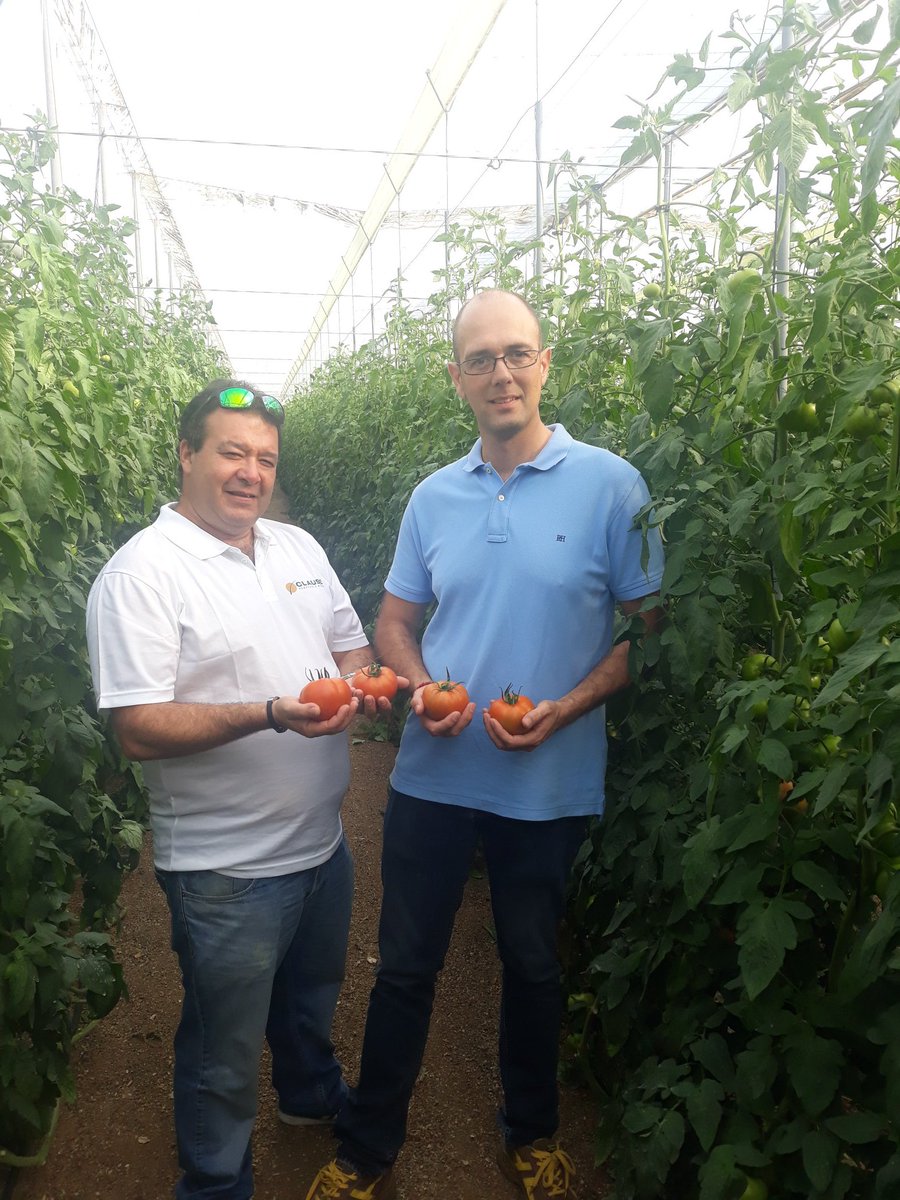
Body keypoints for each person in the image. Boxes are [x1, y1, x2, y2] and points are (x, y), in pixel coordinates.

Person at [306, 290, 665, 1200]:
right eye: (480, 359)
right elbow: (395, 619)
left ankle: (532, 1132)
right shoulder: (433, 496)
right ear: (456, 377)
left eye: (517, 354)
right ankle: (367, 1146)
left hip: (550, 782)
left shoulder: (613, 486)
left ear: (546, 363)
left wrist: (570, 705)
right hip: (435, 774)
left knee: (534, 966)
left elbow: (649, 626)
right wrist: (422, 688)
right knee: (406, 966)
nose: (500, 373)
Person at [86, 379, 404, 1200]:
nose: (249, 473)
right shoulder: (143, 574)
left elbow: (350, 650)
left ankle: (306, 1100)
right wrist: (268, 712)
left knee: (309, 999)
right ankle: (217, 1181)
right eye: (231, 451)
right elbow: (137, 725)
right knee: (221, 1051)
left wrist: (359, 688)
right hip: (226, 870)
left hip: (319, 846)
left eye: (264, 457)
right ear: (187, 453)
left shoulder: (298, 549)